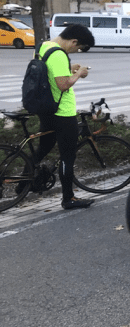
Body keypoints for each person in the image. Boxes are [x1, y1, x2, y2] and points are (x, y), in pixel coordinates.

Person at [34, 24, 96, 210]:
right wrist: (78, 73)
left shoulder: (45, 46)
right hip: (63, 112)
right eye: (78, 48)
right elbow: (62, 84)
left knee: (43, 149)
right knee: (67, 156)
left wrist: (69, 67)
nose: (76, 51)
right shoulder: (59, 54)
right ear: (74, 41)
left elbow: (49, 72)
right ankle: (68, 198)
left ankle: (25, 183)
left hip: (47, 109)